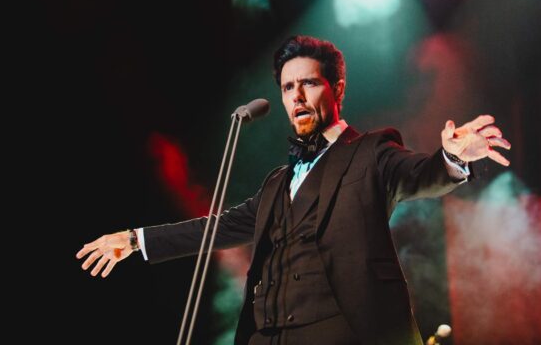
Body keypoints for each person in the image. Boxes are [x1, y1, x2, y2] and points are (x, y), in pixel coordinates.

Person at [77, 35, 511, 345]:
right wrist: (135, 240)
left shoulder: (372, 152)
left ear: (337, 88)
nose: (297, 96)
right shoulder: (276, 184)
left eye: (309, 83)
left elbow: (420, 174)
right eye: (288, 87)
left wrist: (452, 157)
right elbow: (215, 229)